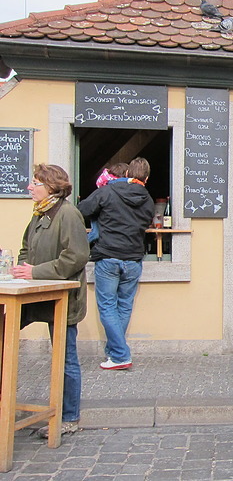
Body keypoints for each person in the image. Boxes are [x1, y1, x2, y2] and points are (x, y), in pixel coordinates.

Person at [12, 164, 90, 437]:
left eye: (35, 182)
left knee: (66, 358)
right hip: (37, 294)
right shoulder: (39, 213)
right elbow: (26, 248)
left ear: (51, 187)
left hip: (62, 298)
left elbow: (76, 256)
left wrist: (36, 272)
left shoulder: (68, 214)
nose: (30, 187)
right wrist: (23, 270)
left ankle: (69, 418)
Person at [77, 157, 154, 371]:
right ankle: (114, 353)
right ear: (146, 178)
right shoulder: (147, 199)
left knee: (108, 306)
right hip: (133, 259)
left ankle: (120, 355)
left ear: (127, 174)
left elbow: (81, 210)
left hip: (109, 256)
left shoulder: (108, 192)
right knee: (124, 306)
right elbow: (146, 222)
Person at [86, 162, 128, 244]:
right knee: (95, 233)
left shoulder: (105, 181)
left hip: (99, 213)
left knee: (96, 233)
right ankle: (81, 245)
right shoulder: (119, 187)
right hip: (99, 213)